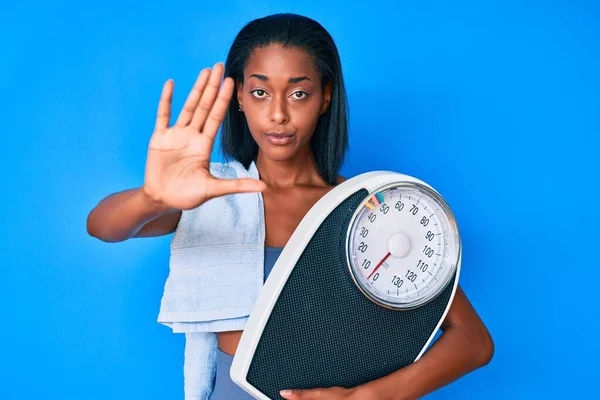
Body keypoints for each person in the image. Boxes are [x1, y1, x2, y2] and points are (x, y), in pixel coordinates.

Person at [87, 13, 494, 400]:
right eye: (260, 92)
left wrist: (368, 396)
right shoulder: (210, 195)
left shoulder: (368, 209)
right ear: (240, 98)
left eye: (298, 93)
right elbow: (102, 227)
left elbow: (473, 342)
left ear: (324, 97)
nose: (278, 113)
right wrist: (154, 197)